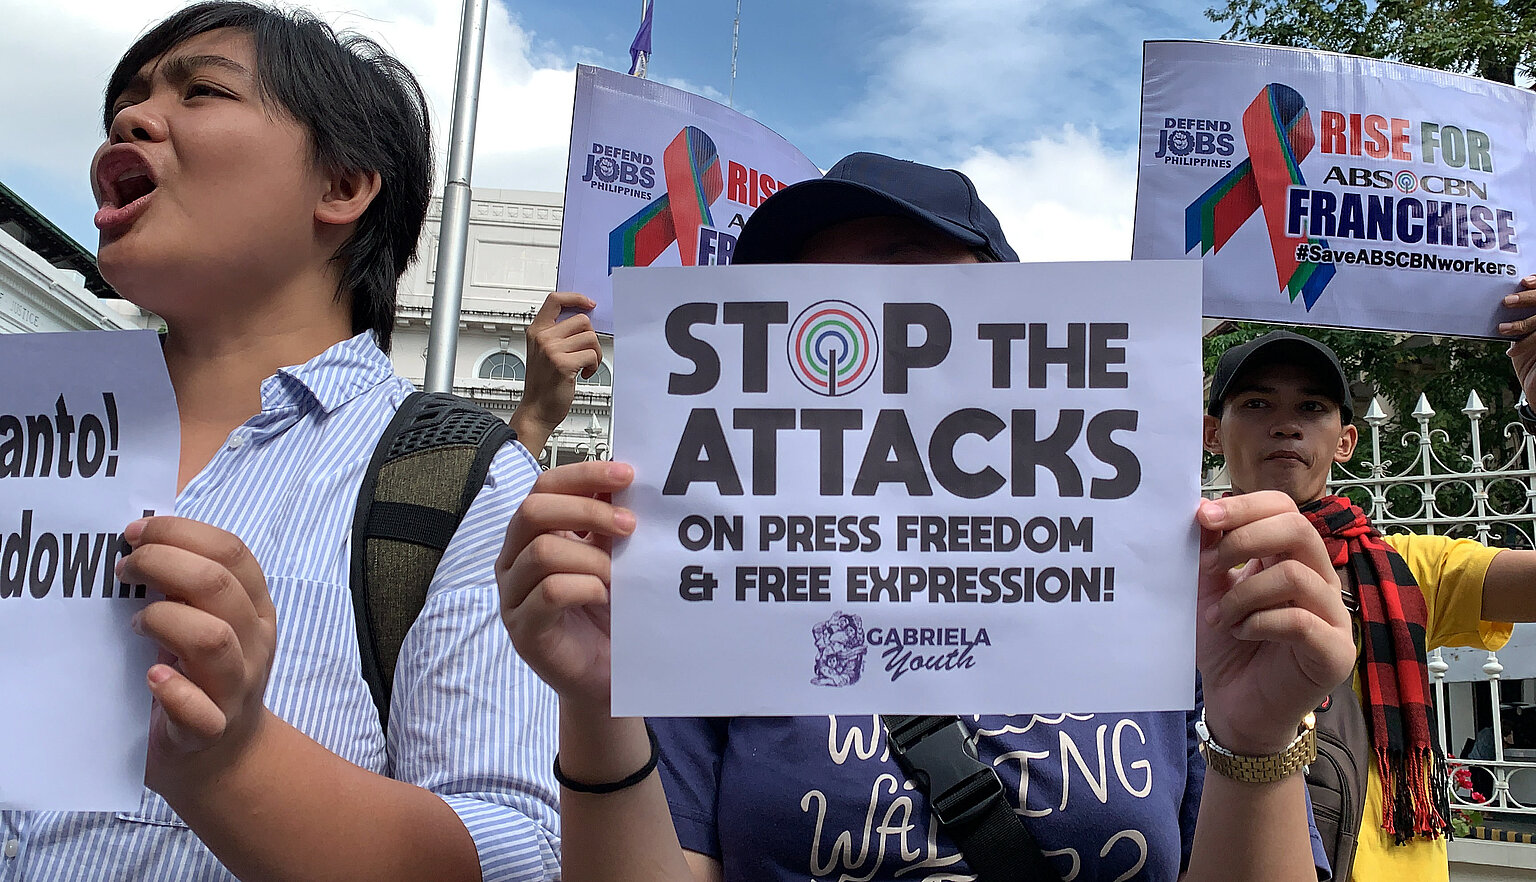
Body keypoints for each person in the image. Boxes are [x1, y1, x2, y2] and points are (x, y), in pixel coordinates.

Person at [498, 152, 1355, 881]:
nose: (869, 331)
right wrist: (600, 707)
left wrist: (1255, 740)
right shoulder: (714, 599)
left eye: (910, 276)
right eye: (804, 303)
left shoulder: (1162, 585)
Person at [0, 3, 597, 879]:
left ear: (343, 187)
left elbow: (528, 848)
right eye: (124, 103)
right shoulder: (30, 430)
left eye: (202, 91)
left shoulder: (454, 479)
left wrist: (238, 764)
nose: (130, 120)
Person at [1202, 327, 1536, 882]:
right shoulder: (1179, 578)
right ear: (1213, 432)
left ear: (1346, 441)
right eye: (1256, 403)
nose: (1285, 424)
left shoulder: (1410, 568)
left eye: (1312, 407)